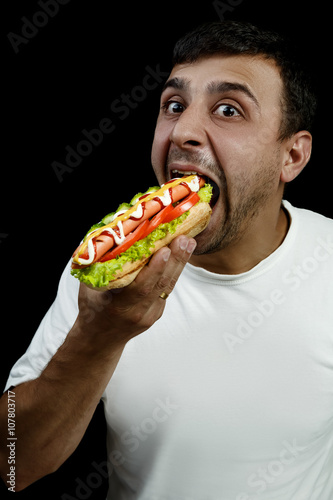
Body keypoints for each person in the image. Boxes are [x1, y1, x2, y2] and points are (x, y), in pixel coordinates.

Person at [1, 20, 332, 499]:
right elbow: (11, 461)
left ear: (292, 157)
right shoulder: (100, 268)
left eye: (228, 109)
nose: (184, 131)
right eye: (174, 106)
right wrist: (99, 336)